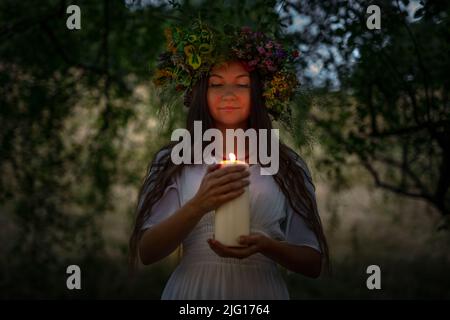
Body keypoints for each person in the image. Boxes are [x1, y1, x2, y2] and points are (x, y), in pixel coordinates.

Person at [129, 20, 329, 300]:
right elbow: (147, 252)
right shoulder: (176, 159)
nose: (229, 95)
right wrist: (199, 204)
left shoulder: (287, 166)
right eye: (216, 84)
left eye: (242, 85)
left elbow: (313, 263)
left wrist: (266, 246)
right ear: (201, 93)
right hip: (193, 293)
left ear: (258, 93)